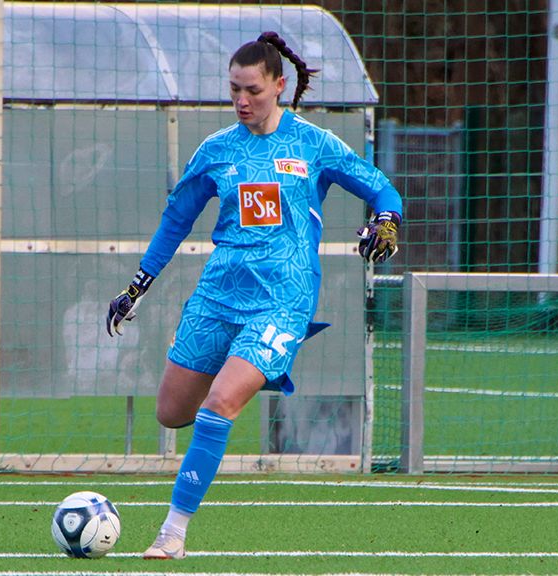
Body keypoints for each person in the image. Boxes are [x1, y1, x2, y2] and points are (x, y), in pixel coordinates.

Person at [105, 31, 403, 559]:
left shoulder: (312, 144)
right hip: (220, 293)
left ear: (280, 86)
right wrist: (137, 287)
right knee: (171, 411)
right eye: (234, 90)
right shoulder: (217, 150)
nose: (242, 101)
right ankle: (249, 371)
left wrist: (386, 218)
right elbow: (176, 220)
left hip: (283, 299)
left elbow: (380, 185)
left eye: (253, 91)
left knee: (220, 403)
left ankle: (172, 533)